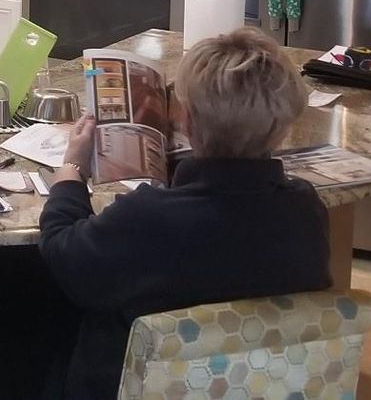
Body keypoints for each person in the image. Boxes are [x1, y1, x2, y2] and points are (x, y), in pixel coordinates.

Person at [38, 28, 333, 400]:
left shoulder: (150, 218)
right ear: (282, 129)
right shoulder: (305, 210)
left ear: (187, 122)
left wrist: (71, 175)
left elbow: (64, 256)